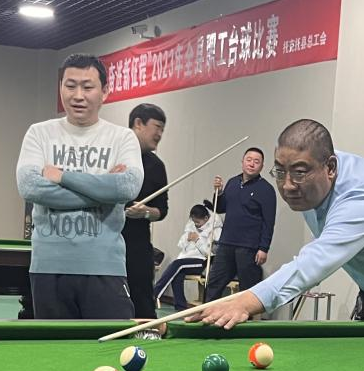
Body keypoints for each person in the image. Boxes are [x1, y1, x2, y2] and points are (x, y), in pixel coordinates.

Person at [197, 120, 364, 328]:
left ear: (330, 168)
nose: (287, 185)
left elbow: (315, 262)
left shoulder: (362, 199)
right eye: (280, 171)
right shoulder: (313, 169)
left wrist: (246, 301)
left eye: (299, 173)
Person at [16, 54, 143, 319]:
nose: (78, 95)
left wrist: (63, 177)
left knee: (112, 343)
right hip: (48, 268)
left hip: (105, 267)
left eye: (87, 87)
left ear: (104, 91)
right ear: (60, 88)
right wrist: (104, 191)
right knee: (56, 346)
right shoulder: (39, 133)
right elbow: (30, 187)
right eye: (70, 86)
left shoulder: (122, 137)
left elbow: (127, 187)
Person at [205, 147, 276, 300]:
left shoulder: (266, 189)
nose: (252, 164)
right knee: (214, 283)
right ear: (242, 162)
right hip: (226, 243)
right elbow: (220, 208)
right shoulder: (233, 182)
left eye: (256, 161)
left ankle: (246, 315)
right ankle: (206, 313)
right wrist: (219, 192)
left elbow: (269, 222)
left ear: (262, 166)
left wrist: (264, 248)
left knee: (248, 288)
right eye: (248, 160)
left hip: (249, 247)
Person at [123, 103, 169, 318]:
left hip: (138, 243)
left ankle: (148, 333)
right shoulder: (113, 155)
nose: (160, 134)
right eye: (157, 127)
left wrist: (145, 212)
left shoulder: (156, 166)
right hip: (107, 241)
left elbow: (162, 210)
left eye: (163, 129)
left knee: (142, 298)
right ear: (138, 124)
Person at [153, 203, 217, 310]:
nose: (196, 224)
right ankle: (180, 306)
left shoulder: (214, 229)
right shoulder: (191, 226)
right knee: (177, 274)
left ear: (206, 218)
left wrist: (197, 240)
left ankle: (155, 293)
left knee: (177, 264)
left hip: (202, 262)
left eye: (198, 222)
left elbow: (209, 253)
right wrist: (187, 239)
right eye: (194, 222)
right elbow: (181, 245)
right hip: (186, 259)